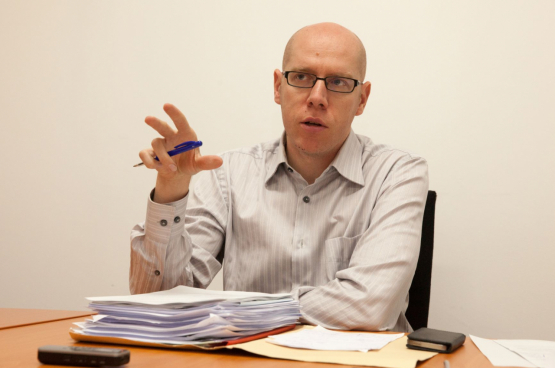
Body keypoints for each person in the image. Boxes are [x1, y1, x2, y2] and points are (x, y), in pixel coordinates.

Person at [130, 22, 429, 332]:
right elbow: (159, 302)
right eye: (301, 77)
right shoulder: (227, 174)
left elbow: (370, 306)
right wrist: (171, 191)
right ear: (277, 87)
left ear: (362, 99)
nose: (317, 97)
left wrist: (246, 311)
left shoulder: (398, 173)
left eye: (338, 82)